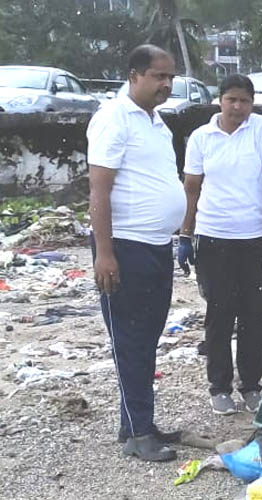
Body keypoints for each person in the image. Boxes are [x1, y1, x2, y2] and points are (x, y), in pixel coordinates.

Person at [87, 44, 184, 462]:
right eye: (158, 76)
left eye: (170, 78)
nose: (165, 84)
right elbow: (99, 190)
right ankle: (140, 432)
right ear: (134, 75)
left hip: (157, 245)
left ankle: (137, 424)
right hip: (125, 247)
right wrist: (105, 253)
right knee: (130, 339)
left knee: (147, 337)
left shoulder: (158, 123)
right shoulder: (113, 118)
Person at [177, 74, 262, 416]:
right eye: (232, 100)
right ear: (220, 100)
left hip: (256, 238)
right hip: (214, 237)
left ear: (252, 103)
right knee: (220, 313)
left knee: (256, 315)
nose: (238, 107)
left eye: (244, 100)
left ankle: (252, 385)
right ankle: (220, 386)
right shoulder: (201, 138)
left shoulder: (260, 129)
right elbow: (192, 189)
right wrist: (186, 233)